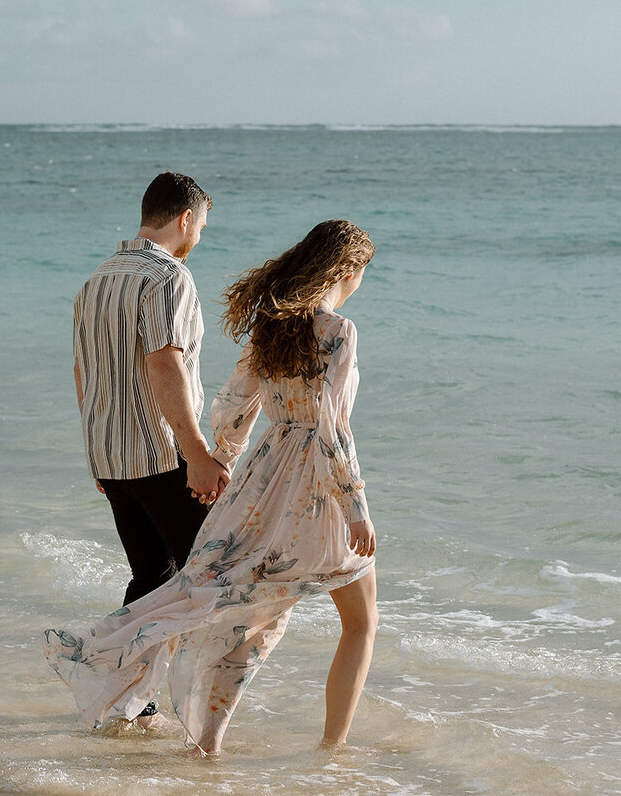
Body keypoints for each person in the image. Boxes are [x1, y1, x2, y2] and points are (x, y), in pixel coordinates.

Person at [47, 219, 378, 755]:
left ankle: (206, 741)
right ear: (349, 269)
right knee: (360, 624)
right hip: (317, 487)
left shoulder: (269, 332)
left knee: (246, 613)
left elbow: (231, 408)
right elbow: (331, 428)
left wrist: (221, 464)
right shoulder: (338, 332)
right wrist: (356, 506)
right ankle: (331, 749)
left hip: (263, 480)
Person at [71, 172, 230, 727]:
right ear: (186, 218)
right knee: (211, 580)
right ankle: (191, 706)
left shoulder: (97, 278)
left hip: (112, 459)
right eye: (202, 226)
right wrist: (198, 453)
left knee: (152, 581)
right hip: (160, 459)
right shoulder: (170, 278)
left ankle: (127, 699)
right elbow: (164, 363)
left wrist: (97, 451)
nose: (200, 237)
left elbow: (83, 372)